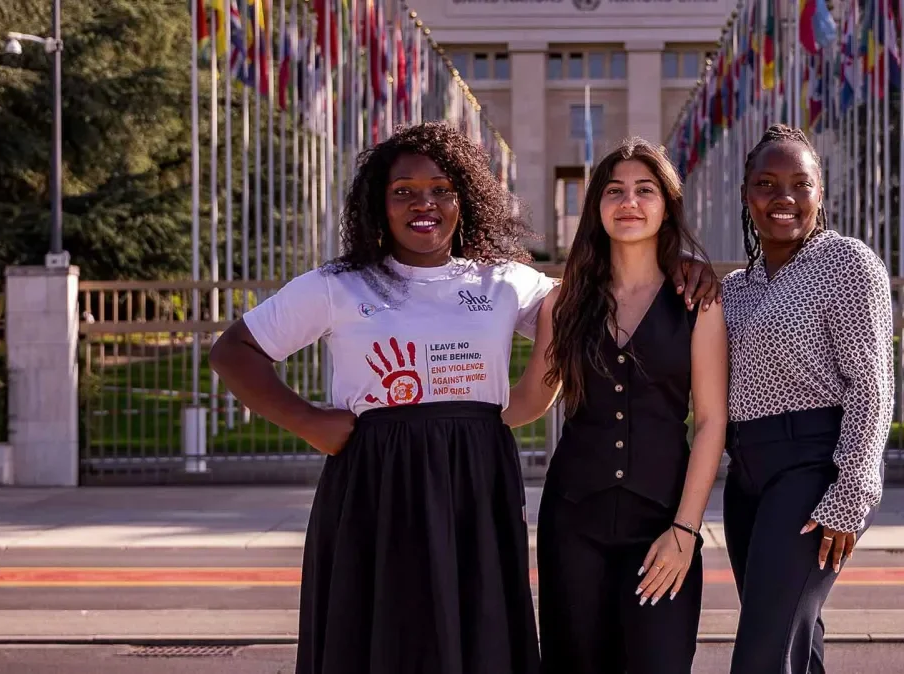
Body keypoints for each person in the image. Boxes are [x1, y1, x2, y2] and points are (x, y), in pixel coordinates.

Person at [208, 122, 718, 674]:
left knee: (479, 639)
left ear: (465, 199)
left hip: (476, 479)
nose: (423, 204)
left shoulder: (506, 282)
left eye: (441, 190)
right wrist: (307, 420)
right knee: (380, 637)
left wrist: (679, 267)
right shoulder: (338, 284)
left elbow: (604, 299)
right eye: (403, 191)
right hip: (378, 479)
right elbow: (233, 350)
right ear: (378, 204)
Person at [502, 138, 729, 674]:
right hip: (573, 519)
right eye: (614, 191)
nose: (629, 201)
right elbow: (536, 395)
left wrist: (686, 531)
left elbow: (712, 421)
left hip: (662, 524)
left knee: (660, 661)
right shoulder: (566, 300)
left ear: (666, 204)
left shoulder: (699, 302)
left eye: (644, 190)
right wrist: (463, 416)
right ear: (596, 206)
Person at [719, 124, 894, 674]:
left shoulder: (847, 263)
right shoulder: (735, 288)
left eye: (800, 183)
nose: (784, 198)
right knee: (793, 642)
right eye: (767, 184)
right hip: (747, 481)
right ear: (747, 194)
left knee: (760, 655)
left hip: (814, 471)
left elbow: (872, 385)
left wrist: (852, 493)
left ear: (821, 193)